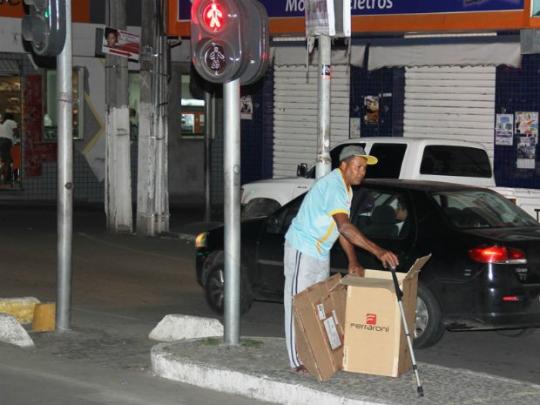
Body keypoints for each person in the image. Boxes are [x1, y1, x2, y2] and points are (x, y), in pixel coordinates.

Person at [283, 145, 399, 372]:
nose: (362, 172)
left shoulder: (346, 189)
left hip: (320, 251)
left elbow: (341, 229)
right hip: (302, 248)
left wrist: (353, 260)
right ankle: (296, 360)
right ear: (343, 165)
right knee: (297, 304)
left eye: (364, 168)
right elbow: (345, 227)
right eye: (358, 167)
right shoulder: (334, 187)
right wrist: (378, 251)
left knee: (318, 305)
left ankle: (315, 352)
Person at [0, 113, 18, 183]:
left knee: (6, 161)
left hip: (1, 141)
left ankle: (6, 178)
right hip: (6, 142)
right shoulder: (11, 122)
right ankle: (5, 181)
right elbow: (16, 132)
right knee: (8, 161)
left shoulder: (3, 124)